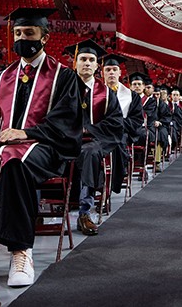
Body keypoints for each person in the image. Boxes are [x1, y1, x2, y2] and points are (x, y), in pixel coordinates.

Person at [0, 7, 82, 287]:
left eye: (29, 33)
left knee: (16, 163)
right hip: (2, 146)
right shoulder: (0, 78)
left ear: (44, 37)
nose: (22, 38)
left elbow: (66, 122)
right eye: (18, 33)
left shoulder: (63, 76)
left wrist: (25, 133)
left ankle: (20, 250)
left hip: (47, 147)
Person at [63, 39, 123, 236]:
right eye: (83, 59)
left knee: (89, 154)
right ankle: (36, 208)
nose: (87, 63)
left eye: (91, 59)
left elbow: (115, 123)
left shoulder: (105, 93)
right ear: (75, 63)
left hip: (94, 142)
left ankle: (84, 212)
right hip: (64, 139)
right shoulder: (62, 87)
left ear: (97, 65)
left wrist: (87, 130)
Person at [102, 54, 144, 192]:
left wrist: (117, 124)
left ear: (120, 72)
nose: (111, 72)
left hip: (122, 133)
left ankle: (114, 182)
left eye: (114, 69)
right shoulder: (94, 93)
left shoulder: (132, 96)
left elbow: (137, 120)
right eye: (108, 70)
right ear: (102, 72)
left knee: (117, 142)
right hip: (99, 133)